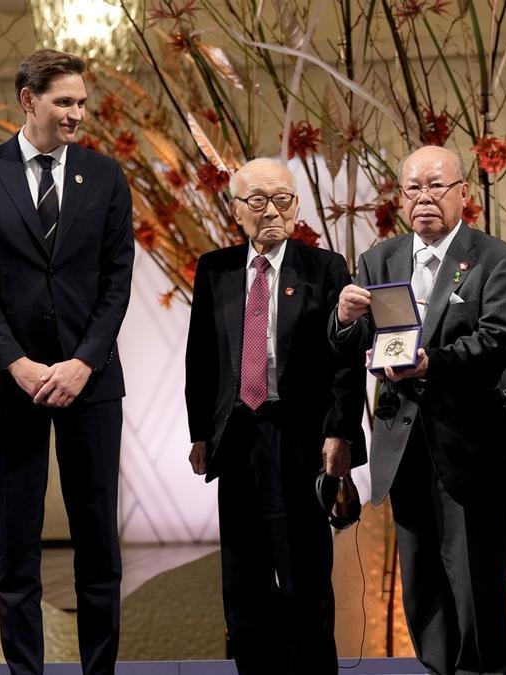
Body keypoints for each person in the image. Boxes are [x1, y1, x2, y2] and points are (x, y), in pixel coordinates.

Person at [0, 49, 134, 675]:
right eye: (64, 102)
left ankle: (99, 671)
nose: (77, 114)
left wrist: (83, 362)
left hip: (92, 384)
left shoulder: (106, 177)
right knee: (16, 550)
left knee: (98, 546)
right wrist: (17, 364)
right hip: (12, 386)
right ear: (27, 100)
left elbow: (117, 283)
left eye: (82, 103)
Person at [331, 145, 506, 675]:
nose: (424, 198)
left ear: (463, 193)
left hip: (473, 445)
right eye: (413, 188)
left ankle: (483, 673)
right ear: (401, 197)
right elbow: (354, 342)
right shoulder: (379, 259)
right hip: (403, 447)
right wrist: (341, 317)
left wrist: (431, 364)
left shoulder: (495, 258)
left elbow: (496, 340)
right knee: (421, 581)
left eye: (436, 186)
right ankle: (436, 670)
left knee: (476, 584)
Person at [185, 158, 366, 674]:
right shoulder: (214, 269)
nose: (272, 211)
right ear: (236, 208)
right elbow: (200, 357)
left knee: (305, 580)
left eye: (283, 199)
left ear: (296, 206)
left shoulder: (325, 268)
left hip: (300, 439)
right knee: (242, 586)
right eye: (258, 200)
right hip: (236, 439)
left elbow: (345, 361)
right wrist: (200, 433)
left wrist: (340, 431)